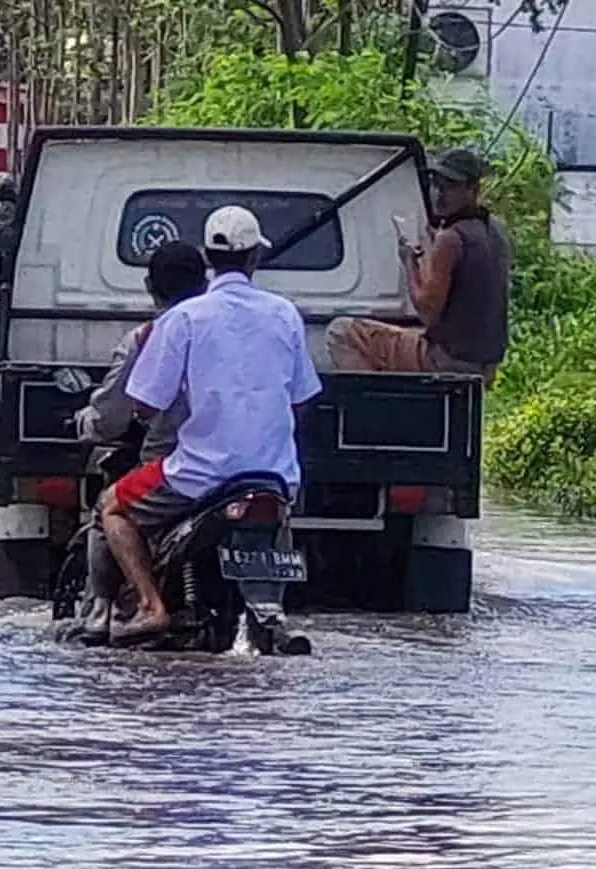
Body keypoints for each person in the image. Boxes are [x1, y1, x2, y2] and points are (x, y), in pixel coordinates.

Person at [102, 205, 321, 642]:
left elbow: (145, 405)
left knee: (113, 506)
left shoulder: (184, 318)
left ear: (208, 258)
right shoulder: (284, 314)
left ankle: (150, 606)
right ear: (255, 258)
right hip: (275, 476)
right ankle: (270, 618)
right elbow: (302, 400)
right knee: (276, 527)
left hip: (199, 474)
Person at [72, 240, 209, 642]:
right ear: (205, 284)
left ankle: (104, 611)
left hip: (176, 466)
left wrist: (87, 425)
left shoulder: (149, 337)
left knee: (108, 507)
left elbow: (115, 414)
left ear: (150, 286)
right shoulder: (232, 329)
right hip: (253, 464)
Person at [326, 147, 510, 382]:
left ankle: (375, 410)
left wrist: (409, 262)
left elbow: (427, 311)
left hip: (447, 361)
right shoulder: (496, 232)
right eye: (435, 184)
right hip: (484, 365)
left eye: (450, 187)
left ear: (473, 189)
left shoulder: (452, 239)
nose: (439, 195)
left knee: (341, 332)